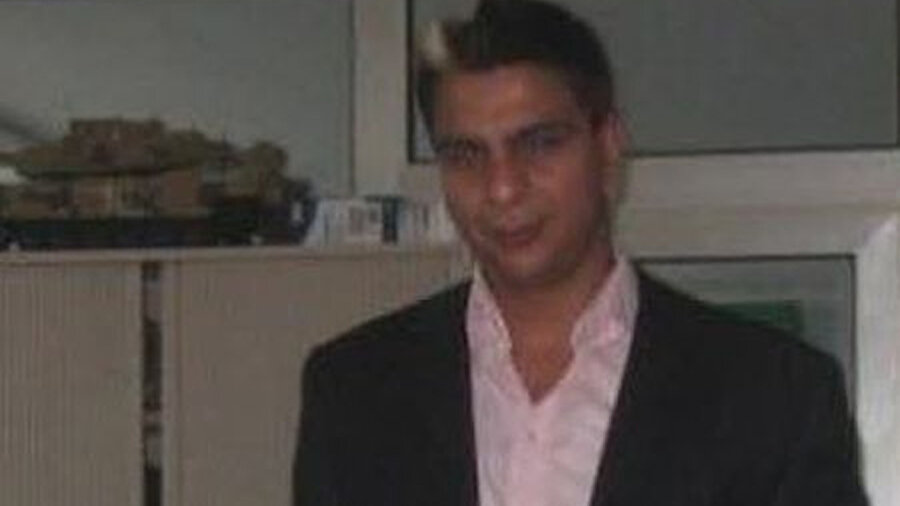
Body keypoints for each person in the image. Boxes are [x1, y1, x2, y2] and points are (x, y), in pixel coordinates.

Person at [293, 1, 868, 505]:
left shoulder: (771, 396)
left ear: (609, 145)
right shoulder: (358, 391)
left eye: (539, 144)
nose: (503, 188)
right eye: (467, 155)